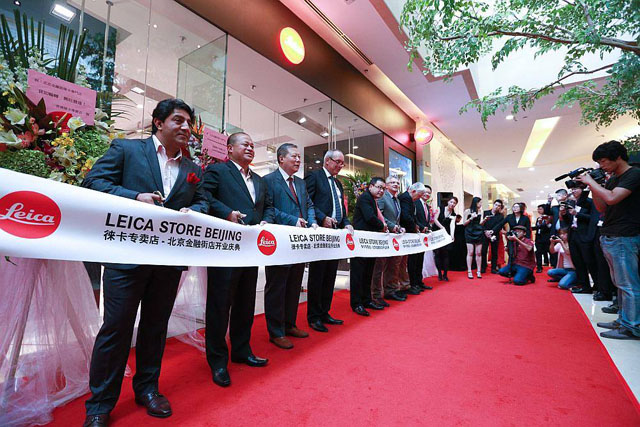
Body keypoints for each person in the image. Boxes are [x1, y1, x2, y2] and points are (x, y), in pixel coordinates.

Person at [81, 99, 209, 426]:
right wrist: (134, 197)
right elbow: (93, 183)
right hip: (126, 258)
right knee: (116, 328)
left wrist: (196, 212)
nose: (185, 128)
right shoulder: (127, 149)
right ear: (157, 122)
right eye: (177, 120)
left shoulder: (194, 170)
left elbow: (204, 200)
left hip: (168, 262)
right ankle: (100, 405)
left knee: (155, 327)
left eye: (188, 123)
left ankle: (148, 389)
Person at [201, 132, 271, 388]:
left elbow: (266, 208)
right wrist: (226, 213)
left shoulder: (260, 181)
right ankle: (218, 361)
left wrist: (267, 221)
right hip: (225, 248)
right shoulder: (217, 171)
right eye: (246, 144)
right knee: (220, 305)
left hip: (251, 249)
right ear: (230, 149)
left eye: (254, 145)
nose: (251, 148)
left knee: (245, 302)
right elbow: (205, 198)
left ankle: (242, 350)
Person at [576, 140, 640, 340]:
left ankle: (632, 326)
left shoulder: (634, 175)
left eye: (603, 161)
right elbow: (603, 206)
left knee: (628, 283)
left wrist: (592, 182)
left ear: (618, 157)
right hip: (611, 234)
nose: (602, 166)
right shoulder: (613, 179)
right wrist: (594, 187)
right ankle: (623, 320)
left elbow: (613, 198)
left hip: (626, 234)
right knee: (619, 283)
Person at [262, 143, 317, 349]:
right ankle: (275, 331)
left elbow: (309, 205)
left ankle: (289, 324)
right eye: (293, 156)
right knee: (277, 286)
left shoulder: (301, 183)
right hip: (279, 242)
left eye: (299, 157)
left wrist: (311, 221)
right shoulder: (268, 181)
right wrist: (293, 220)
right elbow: (268, 209)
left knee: (294, 284)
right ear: (280, 159)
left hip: (299, 243)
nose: (297, 160)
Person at [304, 150, 353, 332]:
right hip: (320, 233)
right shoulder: (314, 177)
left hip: (336, 234)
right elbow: (307, 201)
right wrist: (321, 217)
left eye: (343, 163)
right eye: (338, 162)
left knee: (330, 275)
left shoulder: (338, 183)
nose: (340, 166)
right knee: (318, 276)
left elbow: (341, 208)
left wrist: (346, 223)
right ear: (327, 161)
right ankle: (314, 316)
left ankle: (325, 312)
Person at [350, 177, 388, 316]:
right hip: (361, 241)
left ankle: (367, 300)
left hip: (370, 242)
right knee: (358, 274)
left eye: (383, 188)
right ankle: (356, 304)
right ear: (371, 186)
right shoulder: (365, 198)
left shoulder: (373, 200)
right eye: (379, 187)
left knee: (368, 272)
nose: (381, 190)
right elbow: (369, 217)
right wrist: (382, 226)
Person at [372, 175, 406, 303]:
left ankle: (390, 291)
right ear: (386, 185)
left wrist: (399, 227)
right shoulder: (382, 197)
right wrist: (393, 227)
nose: (395, 184)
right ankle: (376, 295)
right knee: (380, 266)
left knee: (393, 265)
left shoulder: (396, 199)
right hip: (384, 235)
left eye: (397, 182)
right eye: (392, 182)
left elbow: (396, 218)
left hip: (394, 237)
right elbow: (379, 215)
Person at [567, 183, 599, 294]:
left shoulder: (589, 202)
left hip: (585, 235)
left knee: (589, 261)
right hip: (573, 235)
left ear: (582, 189)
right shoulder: (571, 203)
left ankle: (598, 286)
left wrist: (578, 214)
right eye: (572, 189)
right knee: (578, 262)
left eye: (575, 188)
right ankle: (584, 285)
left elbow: (593, 218)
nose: (573, 191)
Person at [399, 182, 428, 295]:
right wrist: (416, 227)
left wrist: (419, 227)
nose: (419, 198)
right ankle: (412, 283)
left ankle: (416, 282)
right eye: (419, 195)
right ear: (414, 191)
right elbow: (406, 216)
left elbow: (413, 216)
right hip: (407, 233)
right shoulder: (405, 198)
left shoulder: (411, 200)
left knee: (416, 259)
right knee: (410, 261)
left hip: (413, 232)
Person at [433, 196, 458, 281]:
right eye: (451, 202)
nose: (452, 204)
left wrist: (452, 235)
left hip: (446, 234)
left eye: (454, 203)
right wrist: (442, 228)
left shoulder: (454, 214)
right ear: (448, 202)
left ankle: (445, 274)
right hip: (437, 232)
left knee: (446, 254)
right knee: (437, 254)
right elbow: (435, 219)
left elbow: (452, 225)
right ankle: (439, 273)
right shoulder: (440, 208)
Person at [417, 186, 436, 288]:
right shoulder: (416, 203)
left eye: (429, 193)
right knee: (415, 261)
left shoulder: (426, 206)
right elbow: (415, 218)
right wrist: (421, 227)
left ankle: (419, 282)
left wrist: (428, 228)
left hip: (424, 236)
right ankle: (414, 283)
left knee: (420, 260)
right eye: (425, 192)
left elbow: (426, 221)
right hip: (416, 234)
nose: (427, 194)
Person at [463, 197, 485, 279]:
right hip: (469, 232)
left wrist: (485, 220)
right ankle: (469, 271)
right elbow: (464, 223)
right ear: (475, 203)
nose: (481, 204)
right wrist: (471, 218)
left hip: (479, 231)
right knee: (470, 252)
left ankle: (478, 271)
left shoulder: (481, 211)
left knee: (479, 253)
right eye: (480, 203)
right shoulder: (467, 211)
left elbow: (481, 223)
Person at [481, 199, 504, 274]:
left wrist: (492, 231)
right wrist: (485, 231)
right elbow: (481, 224)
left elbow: (499, 226)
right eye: (496, 205)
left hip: (495, 234)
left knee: (494, 252)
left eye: (499, 206)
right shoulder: (485, 213)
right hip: (484, 234)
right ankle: (483, 267)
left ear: (500, 207)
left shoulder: (500, 216)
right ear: (493, 205)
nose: (497, 207)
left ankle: (493, 268)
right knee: (483, 251)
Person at [534, 204, 552, 273]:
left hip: (546, 238)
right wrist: (539, 223)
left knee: (549, 252)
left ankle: (552, 265)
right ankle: (539, 267)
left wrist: (546, 222)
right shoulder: (538, 218)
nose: (539, 210)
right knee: (538, 252)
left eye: (540, 209)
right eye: (538, 209)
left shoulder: (549, 218)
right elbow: (537, 227)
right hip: (538, 238)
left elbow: (550, 227)